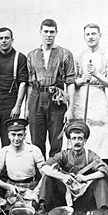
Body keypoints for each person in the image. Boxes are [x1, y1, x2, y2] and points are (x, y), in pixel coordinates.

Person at [37, 121, 108, 215]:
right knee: (48, 176)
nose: (77, 142)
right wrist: (62, 176)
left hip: (84, 196)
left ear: (85, 141)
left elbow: (105, 170)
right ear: (69, 141)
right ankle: (43, 207)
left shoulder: (91, 155)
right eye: (74, 138)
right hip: (64, 195)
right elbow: (44, 167)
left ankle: (103, 211)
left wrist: (86, 178)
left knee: (101, 180)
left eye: (80, 138)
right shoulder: (63, 154)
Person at [26, 18, 76, 158]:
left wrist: (70, 108)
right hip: (36, 97)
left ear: (56, 33)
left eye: (52, 32)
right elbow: (30, 84)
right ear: (40, 32)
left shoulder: (65, 54)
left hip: (57, 99)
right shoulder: (32, 55)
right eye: (46, 32)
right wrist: (27, 108)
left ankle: (54, 175)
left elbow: (70, 82)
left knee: (56, 140)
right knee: (36, 141)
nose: (49, 35)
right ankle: (39, 175)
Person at [71, 23, 108, 165]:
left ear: (100, 35)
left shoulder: (107, 56)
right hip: (81, 98)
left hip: (98, 99)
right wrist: (81, 80)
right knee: (80, 133)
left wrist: (96, 74)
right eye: (88, 34)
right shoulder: (78, 56)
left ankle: (102, 173)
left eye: (93, 34)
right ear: (84, 37)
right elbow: (71, 81)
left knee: (100, 136)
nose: (91, 37)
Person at [0, 27, 28, 168]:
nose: (4, 41)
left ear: (12, 40)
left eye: (6, 38)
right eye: (1, 38)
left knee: (8, 142)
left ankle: (8, 173)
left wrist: (18, 106)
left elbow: (23, 83)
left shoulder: (19, 57)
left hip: (10, 102)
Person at [0, 118, 45, 209]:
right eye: (13, 135)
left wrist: (36, 191)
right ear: (8, 135)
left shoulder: (33, 150)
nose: (16, 138)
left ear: (24, 135)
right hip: (11, 186)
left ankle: (17, 207)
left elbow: (45, 174)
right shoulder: (4, 151)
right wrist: (7, 186)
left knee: (31, 206)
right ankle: (3, 205)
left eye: (20, 135)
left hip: (30, 186)